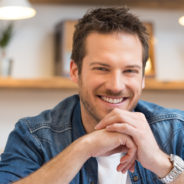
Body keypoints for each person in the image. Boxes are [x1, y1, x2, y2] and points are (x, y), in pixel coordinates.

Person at [0, 7, 184, 184]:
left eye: (130, 70)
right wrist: (83, 148)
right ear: (75, 71)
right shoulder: (34, 136)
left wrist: (160, 163)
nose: (116, 86)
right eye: (102, 69)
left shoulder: (176, 129)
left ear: (143, 77)